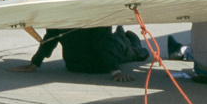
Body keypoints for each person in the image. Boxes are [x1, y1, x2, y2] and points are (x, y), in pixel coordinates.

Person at [10, 26, 149, 82]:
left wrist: (34, 63)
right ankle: (130, 42)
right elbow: (102, 43)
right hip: (100, 65)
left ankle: (129, 40)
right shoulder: (96, 11)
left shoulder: (63, 13)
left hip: (74, 64)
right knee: (122, 47)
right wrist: (115, 71)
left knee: (119, 43)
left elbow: (51, 37)